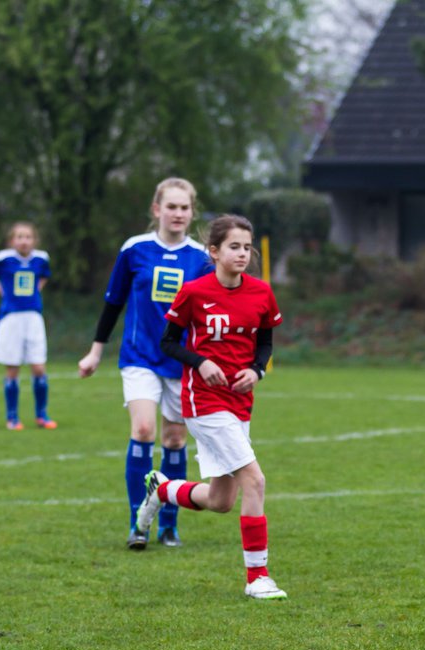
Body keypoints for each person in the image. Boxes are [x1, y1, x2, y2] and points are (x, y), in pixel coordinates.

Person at [134, 214, 287, 600]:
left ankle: (162, 489)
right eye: (234, 246)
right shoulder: (194, 292)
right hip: (202, 401)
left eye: (247, 247)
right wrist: (200, 361)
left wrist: (257, 370)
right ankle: (257, 578)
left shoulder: (261, 293)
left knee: (221, 501)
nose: (243, 253)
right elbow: (168, 343)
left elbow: (265, 343)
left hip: (240, 402)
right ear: (214, 251)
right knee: (255, 480)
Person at [78, 178, 212, 549]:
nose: (178, 214)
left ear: (192, 212)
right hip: (138, 357)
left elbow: (206, 314)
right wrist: (96, 350)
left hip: (180, 362)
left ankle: (169, 524)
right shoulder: (134, 249)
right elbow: (113, 301)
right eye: (171, 206)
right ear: (157, 210)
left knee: (174, 439)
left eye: (184, 207)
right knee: (142, 431)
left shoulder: (201, 258)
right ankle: (138, 522)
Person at [0, 222, 54, 430]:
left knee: (38, 366)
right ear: (12, 241)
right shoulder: (3, 258)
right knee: (13, 368)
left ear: (34, 240)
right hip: (11, 318)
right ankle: (12, 417)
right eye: (19, 237)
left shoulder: (41, 258)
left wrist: (36, 291)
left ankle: (42, 415)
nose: (24, 241)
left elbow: (45, 276)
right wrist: (1, 290)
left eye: (28, 237)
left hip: (33, 318)